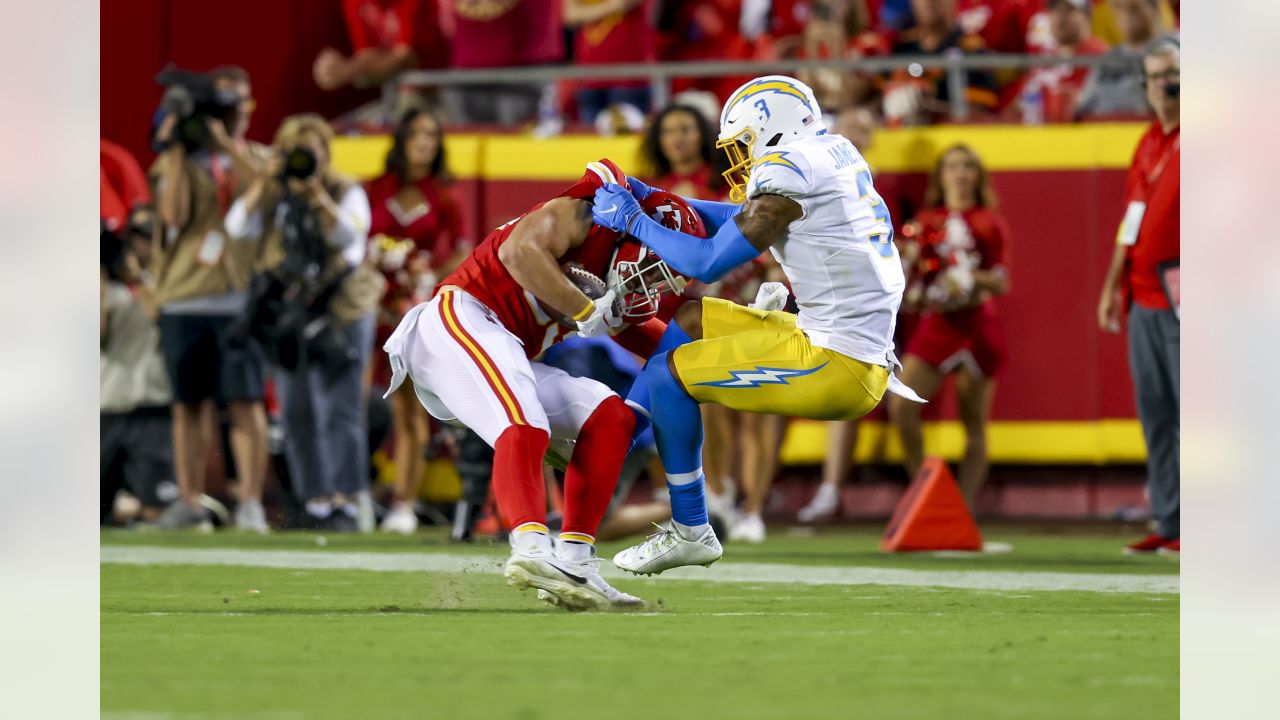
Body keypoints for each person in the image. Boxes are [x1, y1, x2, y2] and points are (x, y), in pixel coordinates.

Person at [591, 75, 923, 575]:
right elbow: (744, 217)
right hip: (828, 336)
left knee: (668, 376)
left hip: (839, 365)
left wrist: (635, 222)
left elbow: (706, 263)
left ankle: (691, 529)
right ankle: (625, 434)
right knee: (691, 319)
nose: (742, 155)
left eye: (745, 140)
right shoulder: (829, 151)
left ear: (773, 128)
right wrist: (651, 197)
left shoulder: (789, 173)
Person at [383, 159, 703, 609]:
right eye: (656, 266)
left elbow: (673, 348)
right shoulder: (580, 214)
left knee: (610, 417)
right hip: (460, 317)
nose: (651, 284)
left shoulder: (617, 280)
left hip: (501, 345)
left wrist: (752, 336)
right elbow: (518, 254)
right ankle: (532, 548)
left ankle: (575, 562)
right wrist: (588, 311)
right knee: (525, 418)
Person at [224, 114, 384, 531]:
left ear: (326, 154)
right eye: (295, 152)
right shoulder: (274, 191)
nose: (303, 161)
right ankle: (312, 501)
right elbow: (237, 226)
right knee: (295, 408)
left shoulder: (344, 188)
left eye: (311, 152)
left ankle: (348, 500)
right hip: (290, 310)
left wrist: (315, 194)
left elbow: (351, 239)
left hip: (341, 306)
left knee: (339, 406)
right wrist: (264, 181)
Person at [148, 68, 270, 532]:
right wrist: (177, 146)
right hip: (185, 297)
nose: (236, 114)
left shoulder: (253, 157)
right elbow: (174, 214)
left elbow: (268, 187)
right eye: (227, 105)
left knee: (245, 401)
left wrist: (224, 147)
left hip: (239, 299)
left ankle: (252, 504)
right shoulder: (176, 161)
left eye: (243, 105)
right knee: (188, 404)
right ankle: (189, 499)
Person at [362, 110, 469, 534]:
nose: (424, 141)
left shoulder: (445, 196)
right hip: (370, 307)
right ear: (402, 139)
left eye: (433, 134)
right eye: (417, 133)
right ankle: (356, 494)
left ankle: (404, 503)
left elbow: (461, 253)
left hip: (411, 312)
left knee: (408, 406)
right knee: (359, 405)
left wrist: (428, 282)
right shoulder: (376, 189)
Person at [888, 145, 1011, 506]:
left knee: (973, 422)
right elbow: (909, 273)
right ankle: (926, 495)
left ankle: (964, 508)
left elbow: (1002, 282)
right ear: (941, 176)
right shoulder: (926, 222)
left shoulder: (990, 222)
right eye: (953, 167)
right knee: (903, 407)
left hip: (977, 327)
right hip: (939, 326)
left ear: (977, 175)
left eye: (968, 167)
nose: (960, 174)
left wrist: (966, 277)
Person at [1096, 39, 1179, 557]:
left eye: (1176, 74)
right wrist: (1111, 284)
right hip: (1144, 293)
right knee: (1157, 411)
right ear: (1144, 86)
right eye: (1158, 76)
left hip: (1190, 290)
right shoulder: (1148, 141)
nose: (1167, 85)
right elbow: (1131, 222)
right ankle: (1171, 522)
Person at [101, 214, 175, 525]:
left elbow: (160, 315)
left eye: (147, 237)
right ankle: (122, 509)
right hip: (109, 400)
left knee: (156, 506)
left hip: (152, 401)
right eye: (136, 238)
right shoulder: (108, 287)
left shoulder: (171, 280)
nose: (140, 246)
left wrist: (138, 280)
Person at [885, 0, 999, 125]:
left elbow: (978, 111)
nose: (928, 3)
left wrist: (927, 109)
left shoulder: (971, 51)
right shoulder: (901, 49)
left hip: (952, 138)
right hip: (896, 139)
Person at [1008, 0, 1110, 123]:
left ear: (1086, 15)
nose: (1060, 17)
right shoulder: (1044, 58)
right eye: (1054, 10)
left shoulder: (1099, 55)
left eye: (1068, 10)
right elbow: (1018, 106)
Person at [564, 0, 655, 123]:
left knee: (626, 135)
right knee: (590, 137)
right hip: (588, 74)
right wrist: (610, 7)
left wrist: (587, 11)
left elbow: (623, 4)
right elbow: (571, 15)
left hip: (628, 75)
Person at [1075, 0, 1168, 119]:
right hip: (1105, 131)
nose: (1127, 15)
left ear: (1154, 10)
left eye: (1134, 8)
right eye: (1119, 9)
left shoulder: (1173, 48)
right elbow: (1084, 105)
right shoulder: (1109, 59)